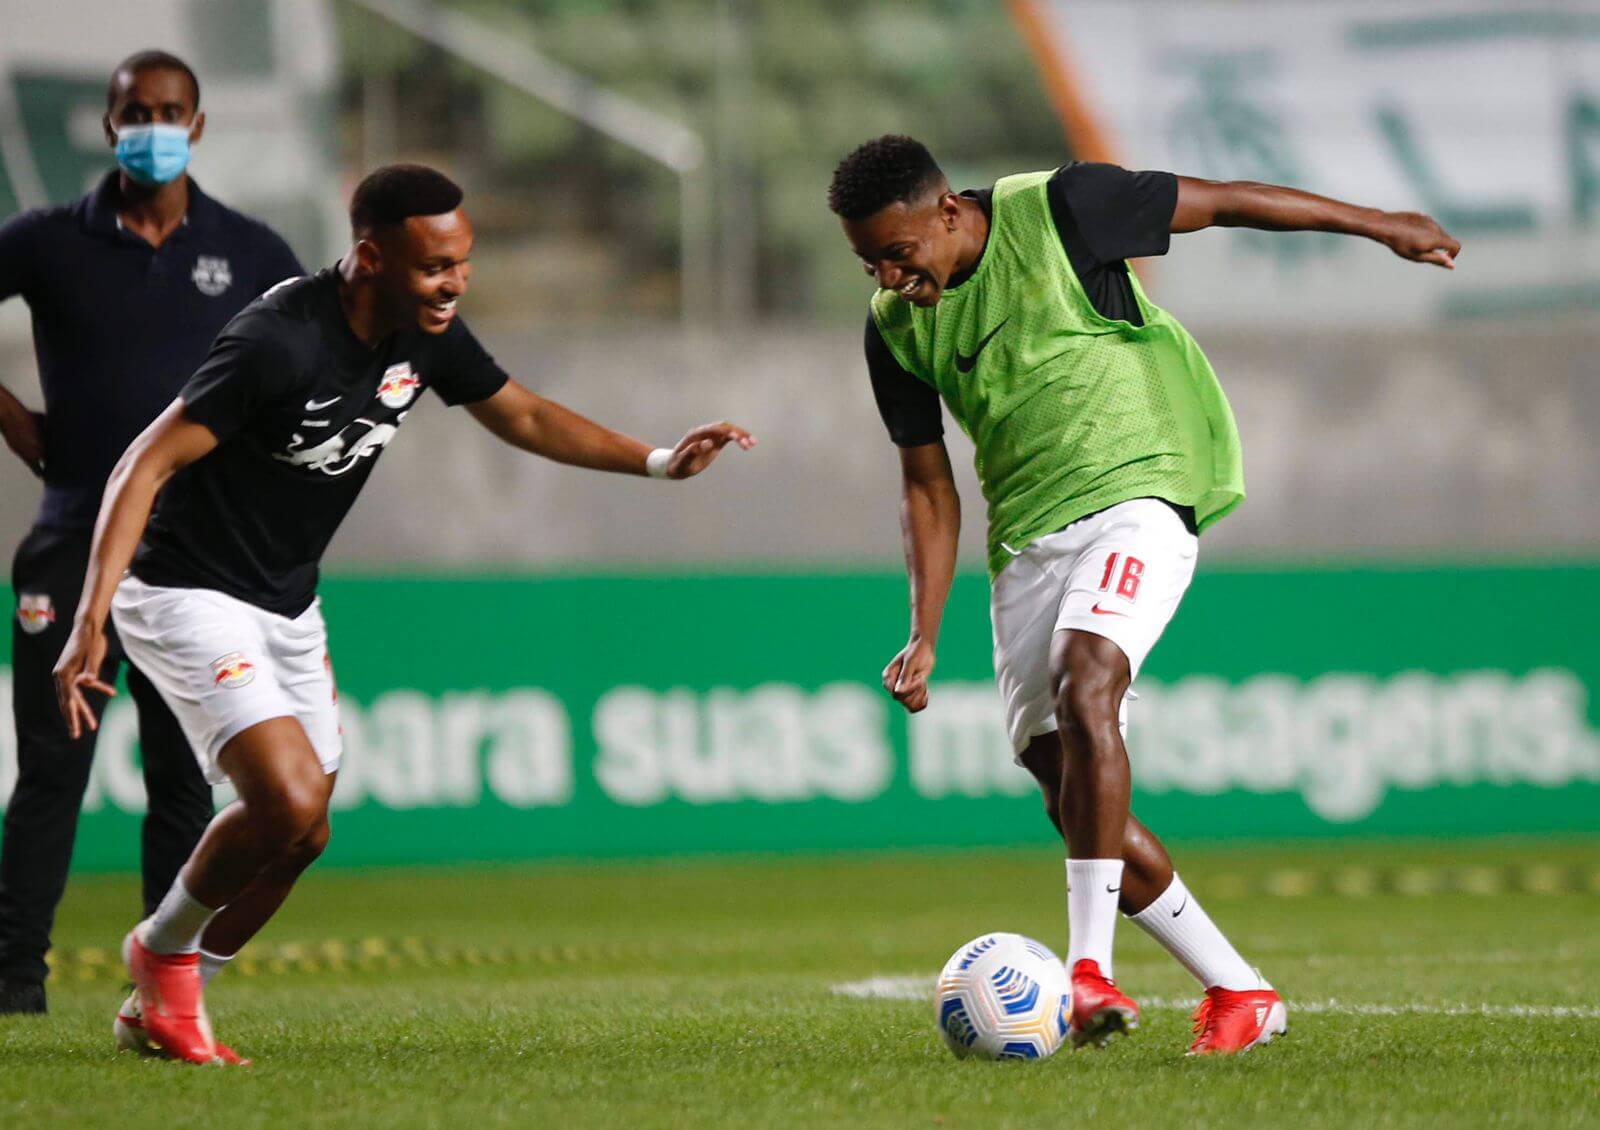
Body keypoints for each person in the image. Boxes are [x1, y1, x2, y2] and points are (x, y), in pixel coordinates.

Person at [51, 163, 755, 1064]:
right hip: (186, 587)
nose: (454, 283)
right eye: (434, 268)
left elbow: (525, 417)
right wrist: (90, 620)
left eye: (462, 262)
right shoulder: (278, 339)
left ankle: (172, 1000)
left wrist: (659, 461)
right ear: (372, 258)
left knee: (304, 833)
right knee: (287, 795)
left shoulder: (427, 334)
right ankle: (159, 953)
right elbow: (141, 465)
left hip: (286, 601)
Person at [827, 135, 1458, 1055]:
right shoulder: (894, 325)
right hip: (1029, 540)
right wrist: (924, 631)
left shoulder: (1064, 209)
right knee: (1066, 788)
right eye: (869, 260)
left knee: (1092, 687)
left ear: (949, 213)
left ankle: (1087, 974)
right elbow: (928, 486)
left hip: (1140, 489)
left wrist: (1380, 226)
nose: (888, 273)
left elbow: (1230, 200)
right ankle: (1241, 991)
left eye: (898, 250)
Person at [0, 49, 303, 1014]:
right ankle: (12, 988)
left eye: (172, 111)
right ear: (108, 125)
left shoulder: (254, 253)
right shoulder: (49, 241)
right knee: (52, 775)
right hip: (68, 541)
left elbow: (306, 373)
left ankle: (166, 990)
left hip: (193, 567)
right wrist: (23, 429)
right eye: (137, 112)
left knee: (183, 785)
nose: (154, 126)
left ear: (199, 126)